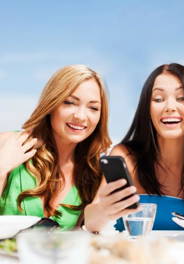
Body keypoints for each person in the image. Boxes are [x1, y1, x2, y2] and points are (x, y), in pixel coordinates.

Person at [83, 63, 184, 232]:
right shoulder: (126, 156)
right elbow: (91, 223)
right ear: (147, 109)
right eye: (158, 99)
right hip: (130, 255)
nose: (170, 107)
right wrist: (103, 210)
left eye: (182, 98)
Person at [0, 65, 111, 229]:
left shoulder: (92, 174)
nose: (80, 116)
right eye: (69, 103)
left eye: (93, 108)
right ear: (51, 104)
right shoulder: (8, 144)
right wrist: (2, 167)